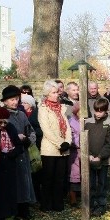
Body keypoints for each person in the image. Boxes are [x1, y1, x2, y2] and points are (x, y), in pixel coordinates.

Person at [0, 85, 37, 219]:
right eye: (11, 100)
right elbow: (0, 134)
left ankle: (24, 209)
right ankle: (12, 209)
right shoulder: (2, 115)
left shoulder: (21, 115)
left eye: (16, 99)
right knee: (12, 182)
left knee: (24, 180)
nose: (14, 102)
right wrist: (14, 138)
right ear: (5, 101)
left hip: (23, 153)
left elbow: (31, 131)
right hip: (10, 155)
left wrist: (27, 139)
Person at [39, 80, 72, 212]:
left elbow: (68, 127)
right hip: (49, 149)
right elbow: (46, 130)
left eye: (57, 92)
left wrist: (67, 142)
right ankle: (46, 204)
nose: (57, 94)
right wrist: (60, 143)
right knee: (48, 178)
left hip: (64, 148)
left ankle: (58, 204)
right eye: (53, 92)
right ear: (47, 94)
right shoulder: (43, 109)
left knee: (60, 178)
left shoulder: (62, 108)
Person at [85, 98, 110, 217]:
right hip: (89, 159)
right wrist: (87, 155)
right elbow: (83, 140)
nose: (98, 113)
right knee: (91, 183)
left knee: (102, 183)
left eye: (101, 111)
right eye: (96, 111)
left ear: (105, 111)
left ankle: (101, 204)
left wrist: (100, 156)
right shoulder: (88, 122)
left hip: (103, 159)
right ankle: (91, 204)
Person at [21, 93, 42, 202]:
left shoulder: (36, 114)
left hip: (35, 144)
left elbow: (39, 129)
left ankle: (37, 196)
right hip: (25, 145)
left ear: (30, 104)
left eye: (25, 103)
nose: (22, 104)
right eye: (22, 102)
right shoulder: (21, 114)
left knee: (36, 171)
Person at [67, 101, 81, 206]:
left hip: (86, 150)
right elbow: (70, 136)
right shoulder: (71, 122)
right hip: (75, 151)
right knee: (74, 174)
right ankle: (73, 197)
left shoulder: (88, 121)